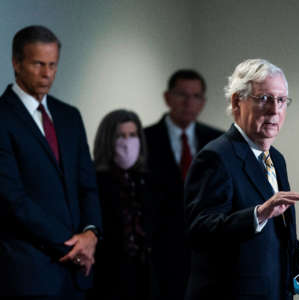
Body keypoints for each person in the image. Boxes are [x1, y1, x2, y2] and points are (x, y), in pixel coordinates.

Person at [184, 59, 299, 300]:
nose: (274, 110)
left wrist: (297, 252)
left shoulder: (276, 159)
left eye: (281, 101)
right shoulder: (216, 157)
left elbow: (266, 235)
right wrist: (259, 213)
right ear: (238, 101)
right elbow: (201, 231)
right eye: (264, 99)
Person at [0, 25, 102, 299]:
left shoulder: (69, 116)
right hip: (28, 272)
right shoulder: (2, 117)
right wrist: (72, 246)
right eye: (38, 64)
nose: (47, 73)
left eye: (53, 65)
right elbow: (12, 199)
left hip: (77, 275)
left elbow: (87, 185)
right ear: (16, 63)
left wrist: (91, 233)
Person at [144, 69, 223, 299]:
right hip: (159, 251)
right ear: (167, 97)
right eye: (182, 95)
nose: (189, 102)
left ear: (203, 102)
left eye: (196, 96)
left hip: (207, 253)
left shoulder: (218, 142)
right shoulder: (143, 139)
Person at [90, 109, 158, 299]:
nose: (127, 143)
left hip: (144, 274)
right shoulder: (94, 181)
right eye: (120, 136)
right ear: (108, 140)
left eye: (132, 135)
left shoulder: (147, 180)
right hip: (109, 275)